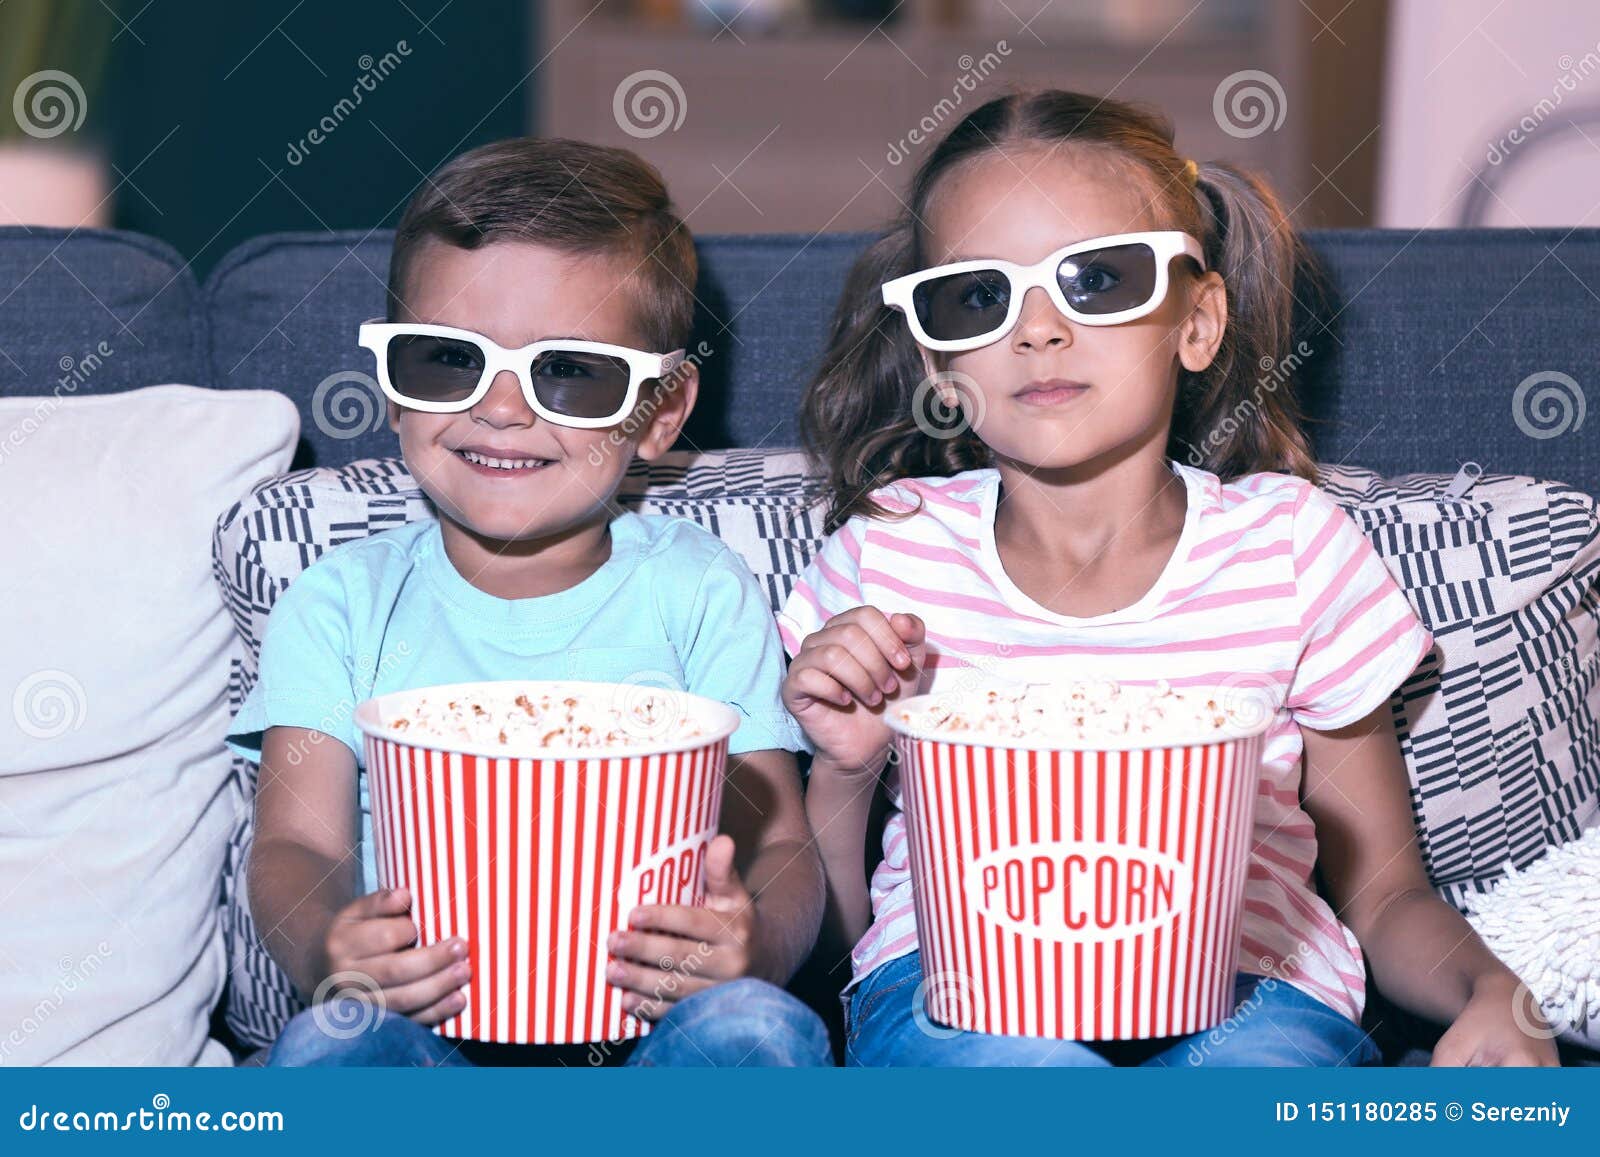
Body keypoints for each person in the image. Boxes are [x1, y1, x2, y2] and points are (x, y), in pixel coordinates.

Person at [778, 89, 1557, 1068]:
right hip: (957, 997)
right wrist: (845, 774)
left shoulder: (1290, 547)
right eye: (978, 296)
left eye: (1098, 279)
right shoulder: (887, 553)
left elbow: (1386, 891)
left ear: (1197, 322)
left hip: (1252, 999)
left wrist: (1492, 992)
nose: (1037, 329)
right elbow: (832, 948)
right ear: (938, 356)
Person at [228, 137, 828, 1067]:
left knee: (756, 1031)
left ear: (661, 411)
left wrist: (755, 955)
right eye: (446, 360)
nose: (502, 407)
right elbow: (297, 844)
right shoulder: (340, 603)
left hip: (650, 1038)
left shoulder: (703, 589)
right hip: (426, 1035)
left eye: (571, 372)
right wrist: (328, 949)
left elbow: (782, 842)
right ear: (392, 387)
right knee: (328, 1048)